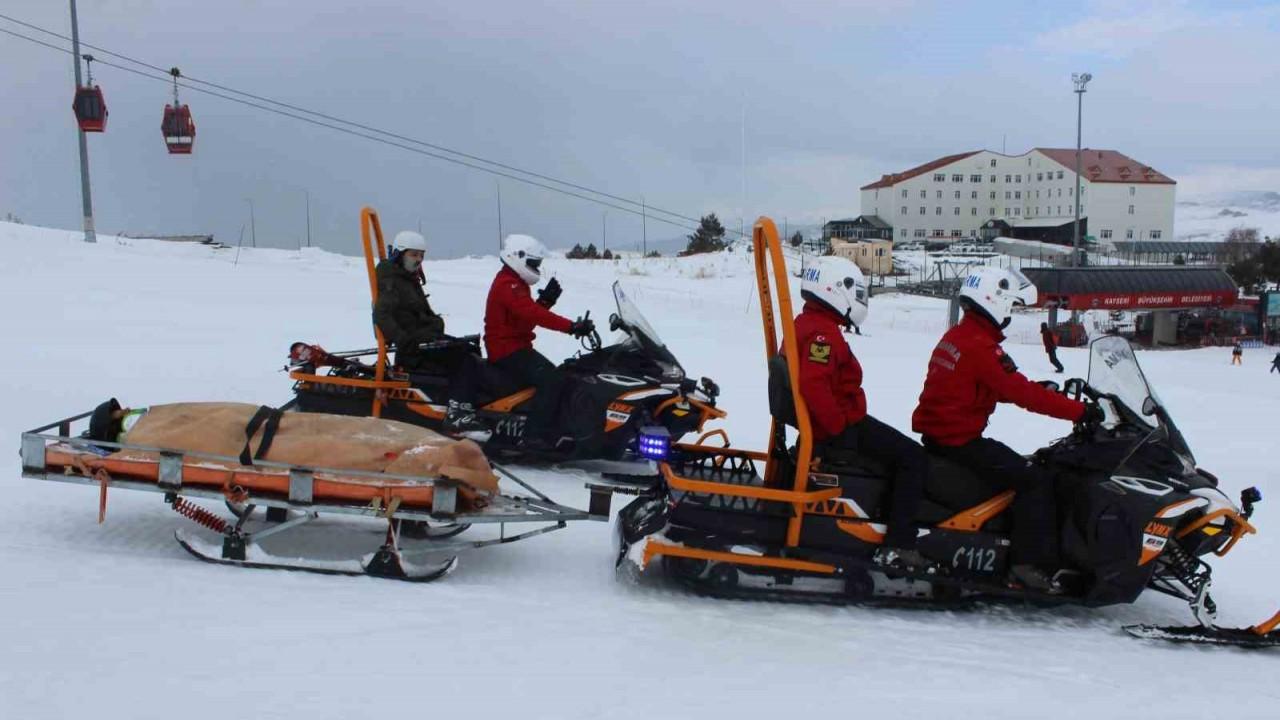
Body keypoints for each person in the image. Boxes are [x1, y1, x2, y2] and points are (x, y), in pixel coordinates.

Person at [912, 267, 1099, 593]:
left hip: (943, 436)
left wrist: (1037, 390)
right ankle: (1025, 566)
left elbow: (979, 386)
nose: (1010, 315)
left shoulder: (957, 336)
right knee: (1034, 479)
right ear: (993, 302)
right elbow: (1020, 392)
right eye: (1010, 306)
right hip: (960, 441)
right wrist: (1080, 411)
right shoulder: (981, 346)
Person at [794, 257, 930, 570]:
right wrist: (839, 429)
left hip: (834, 422)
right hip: (837, 427)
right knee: (913, 458)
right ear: (835, 290)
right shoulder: (822, 335)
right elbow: (814, 384)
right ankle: (899, 544)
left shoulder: (811, 324)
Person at [484, 234, 594, 451]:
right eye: (533, 264)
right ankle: (534, 437)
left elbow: (524, 322)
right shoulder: (508, 284)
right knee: (552, 380)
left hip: (516, 346)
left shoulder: (516, 282)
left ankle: (553, 426)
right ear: (518, 257)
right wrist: (571, 326)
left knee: (564, 374)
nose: (536, 268)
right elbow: (533, 314)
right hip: (506, 350)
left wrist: (545, 301)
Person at [373, 230, 483, 434]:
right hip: (414, 347)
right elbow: (382, 314)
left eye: (421, 255)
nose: (418, 259)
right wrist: (403, 340)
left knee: (470, 351)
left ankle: (466, 404)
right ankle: (457, 415)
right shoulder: (392, 280)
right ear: (400, 254)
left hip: (424, 339)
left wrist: (435, 324)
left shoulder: (408, 279)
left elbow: (421, 313)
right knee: (465, 358)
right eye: (413, 254)